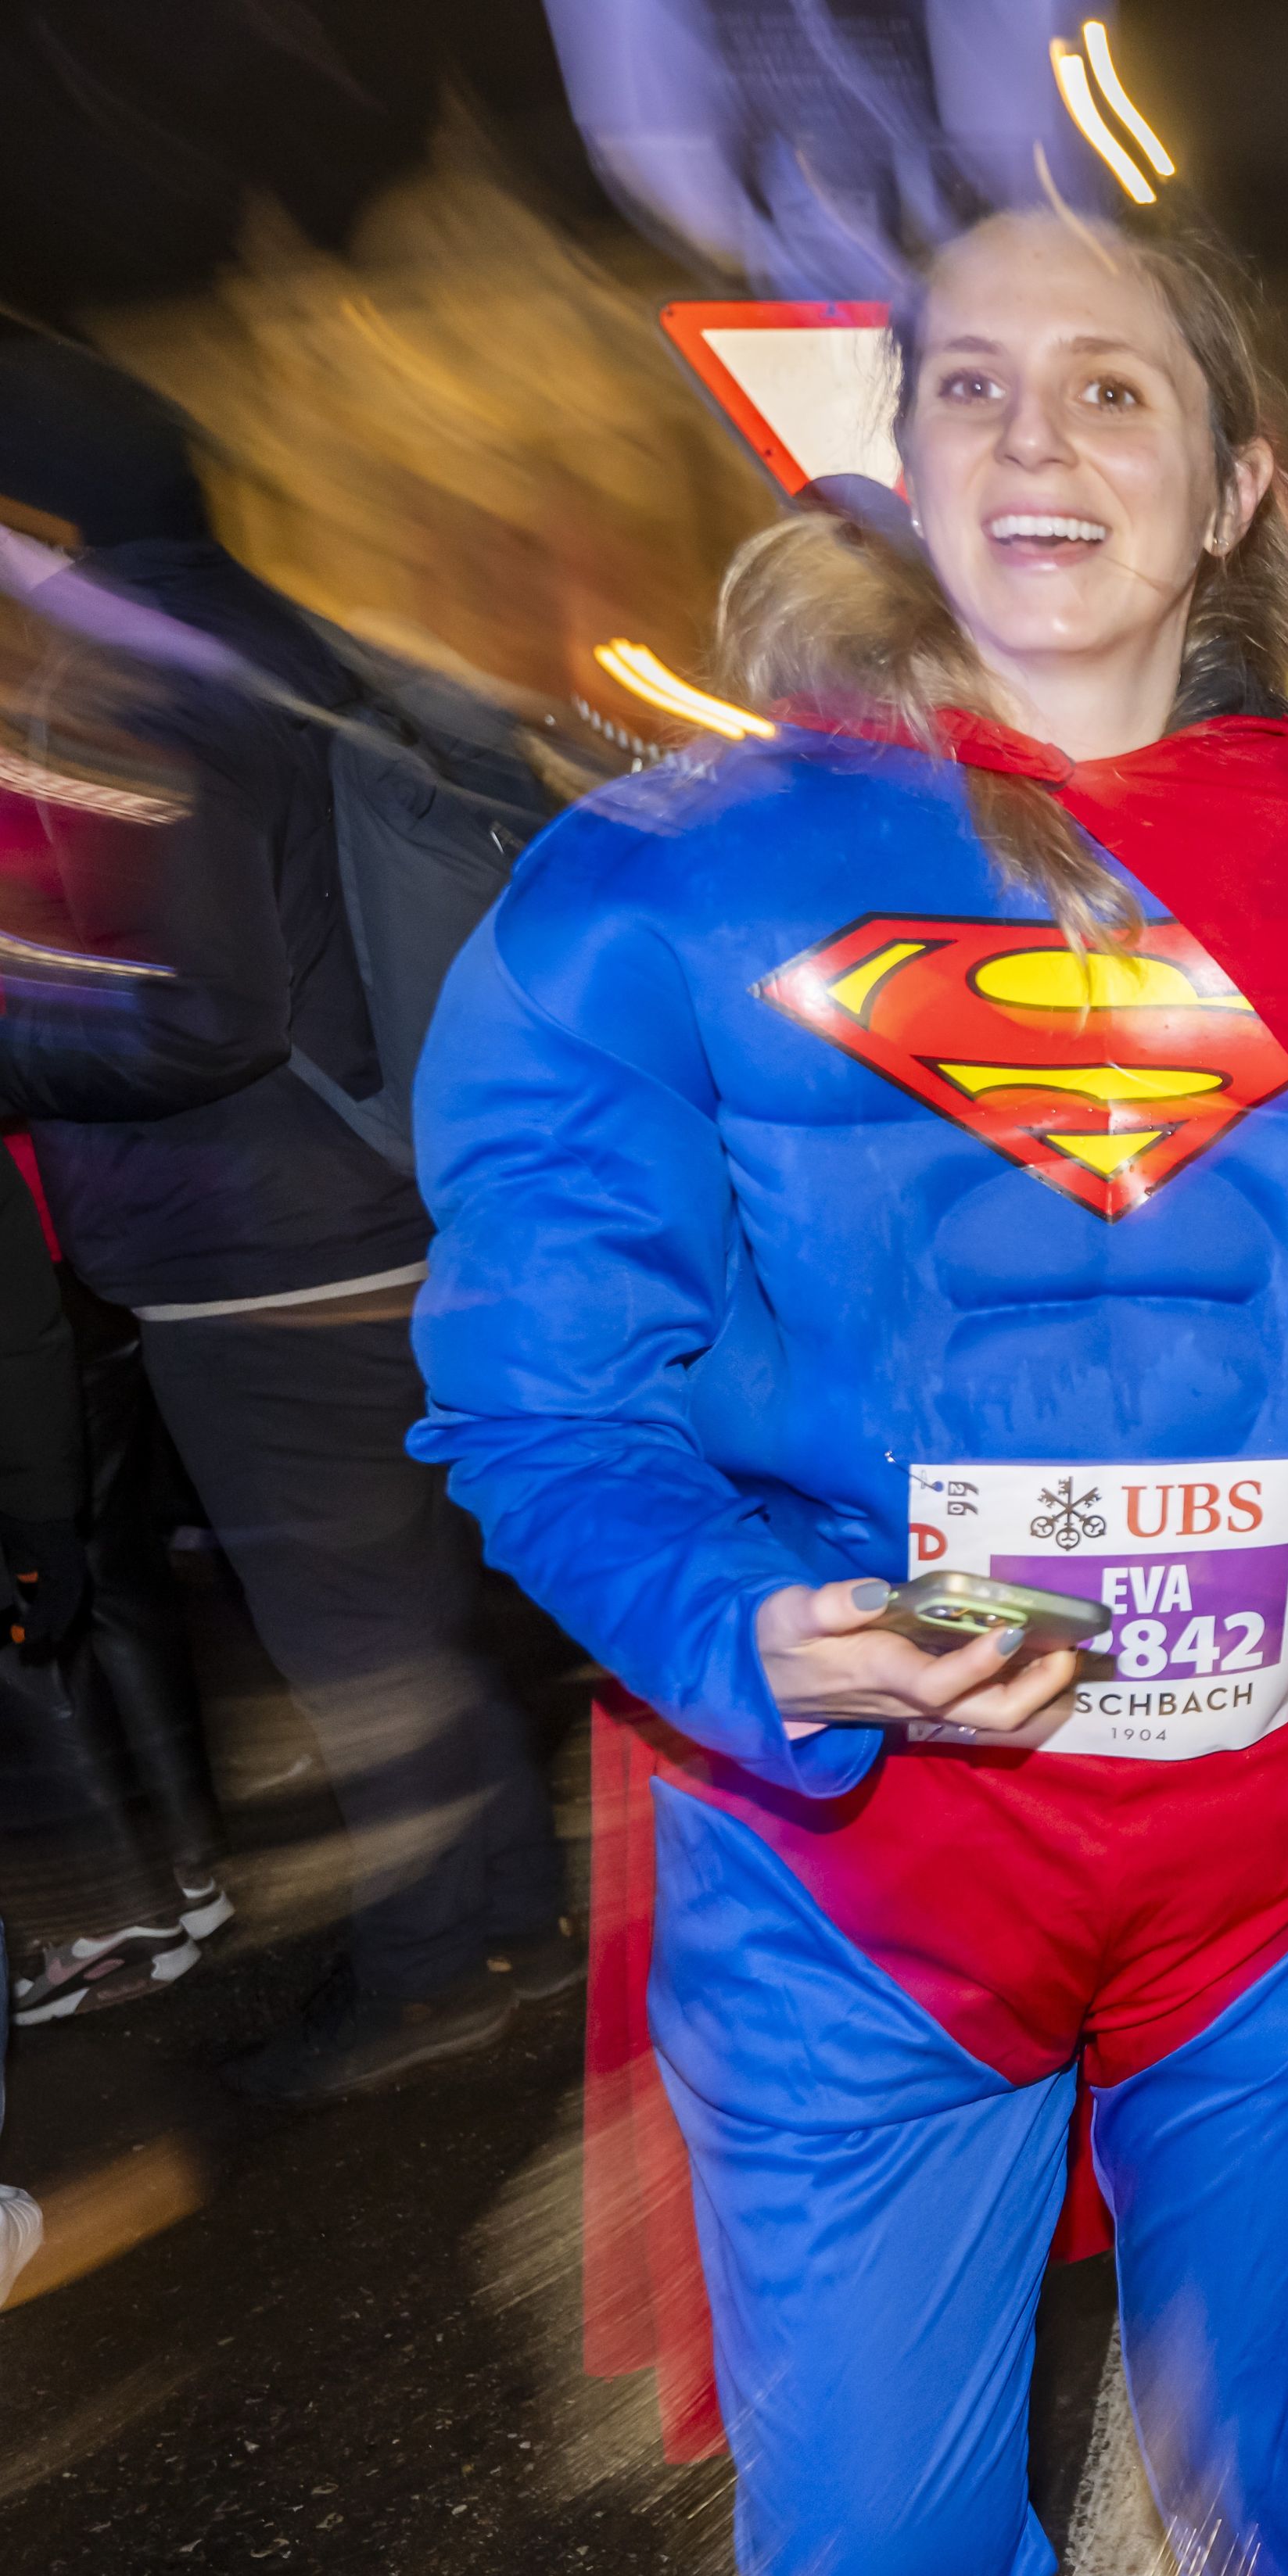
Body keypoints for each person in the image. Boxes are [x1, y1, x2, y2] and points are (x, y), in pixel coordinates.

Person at [408, 212, 1288, 2576]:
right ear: (902, 450)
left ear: (1233, 484)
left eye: (1113, 385)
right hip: (870, 1851)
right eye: (972, 382)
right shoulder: (654, 893)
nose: (1037, 433)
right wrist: (749, 1627)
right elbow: (541, 1398)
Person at [0, 340, 554, 2090]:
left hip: (255, 1248)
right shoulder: (267, 631)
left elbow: (196, 1016)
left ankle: (425, 1980)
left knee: (355, 1642)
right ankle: (508, 1916)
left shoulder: (115, 675)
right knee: (408, 1618)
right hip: (370, 1198)